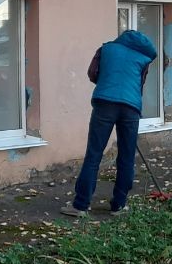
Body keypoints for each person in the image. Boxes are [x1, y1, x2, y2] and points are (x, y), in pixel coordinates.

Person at [61, 29, 157, 218]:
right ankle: (118, 206)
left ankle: (80, 206)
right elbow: (140, 84)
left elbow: (92, 73)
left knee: (94, 155)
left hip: (105, 103)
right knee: (127, 157)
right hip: (131, 108)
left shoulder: (106, 49)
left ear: (121, 38)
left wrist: (106, 81)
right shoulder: (143, 58)